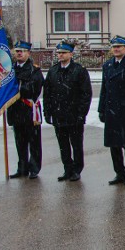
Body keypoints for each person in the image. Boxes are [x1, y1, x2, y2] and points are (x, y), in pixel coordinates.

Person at [43, 40, 92, 182]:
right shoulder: (53, 71)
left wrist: (81, 113)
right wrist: (48, 112)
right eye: (58, 53)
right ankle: (67, 169)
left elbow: (85, 94)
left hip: (74, 115)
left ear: (71, 54)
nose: (60, 55)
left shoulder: (79, 70)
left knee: (76, 144)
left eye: (63, 53)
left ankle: (77, 170)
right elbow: (47, 94)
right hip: (59, 115)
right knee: (63, 145)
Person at [98, 35, 125, 186]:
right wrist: (101, 109)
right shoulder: (108, 66)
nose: (116, 49)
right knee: (114, 145)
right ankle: (119, 172)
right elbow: (104, 89)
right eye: (114, 47)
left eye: (119, 47)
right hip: (111, 110)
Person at [6, 40, 44, 179]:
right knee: (20, 142)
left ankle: (34, 168)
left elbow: (32, 90)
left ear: (28, 53)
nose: (19, 53)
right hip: (15, 111)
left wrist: (17, 87)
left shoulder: (34, 70)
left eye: (22, 51)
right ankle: (22, 168)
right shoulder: (9, 70)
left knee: (33, 142)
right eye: (17, 51)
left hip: (29, 111)